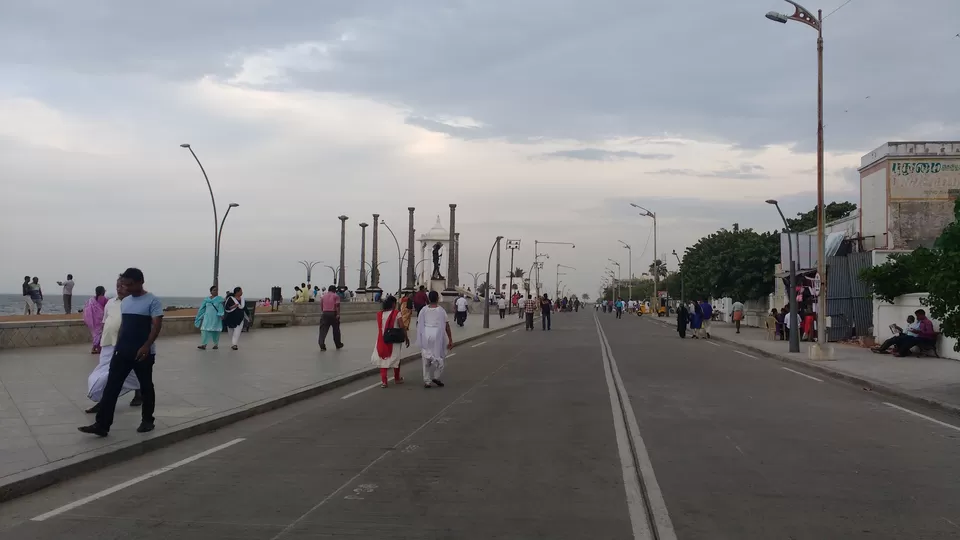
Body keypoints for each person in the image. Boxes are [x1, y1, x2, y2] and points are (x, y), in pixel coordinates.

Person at [79, 267, 161, 436]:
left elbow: (157, 326)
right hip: (122, 351)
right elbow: (124, 326)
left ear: (140, 282)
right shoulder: (126, 302)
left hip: (143, 352)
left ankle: (147, 421)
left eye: (130, 284)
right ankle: (102, 425)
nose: (127, 288)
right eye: (124, 284)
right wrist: (118, 347)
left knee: (146, 386)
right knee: (111, 387)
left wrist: (146, 346)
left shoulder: (152, 301)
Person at [86, 277, 141, 413]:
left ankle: (139, 392)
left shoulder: (136, 303)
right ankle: (102, 400)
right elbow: (105, 322)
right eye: (117, 286)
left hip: (125, 346)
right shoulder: (110, 303)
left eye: (122, 286)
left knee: (129, 373)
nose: (119, 288)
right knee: (103, 374)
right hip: (108, 343)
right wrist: (99, 340)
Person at [372, 295, 409, 388]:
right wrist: (406, 337)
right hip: (394, 340)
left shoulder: (379, 314)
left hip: (382, 339)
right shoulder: (397, 313)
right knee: (396, 358)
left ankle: (384, 382)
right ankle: (397, 378)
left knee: (382, 360)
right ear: (393, 304)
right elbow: (402, 326)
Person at [417, 291, 452, 388]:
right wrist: (450, 339)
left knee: (425, 358)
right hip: (438, 335)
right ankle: (436, 376)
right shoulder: (441, 310)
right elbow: (447, 326)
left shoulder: (423, 310)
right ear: (437, 298)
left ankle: (427, 381)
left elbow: (419, 324)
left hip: (426, 334)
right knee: (440, 355)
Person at [195, 286, 225, 350]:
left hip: (216, 317)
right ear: (211, 291)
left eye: (216, 290)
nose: (215, 291)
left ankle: (216, 344)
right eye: (214, 290)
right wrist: (199, 315)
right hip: (207, 317)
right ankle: (204, 345)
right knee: (204, 330)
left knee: (215, 331)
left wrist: (221, 314)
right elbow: (202, 308)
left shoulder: (219, 299)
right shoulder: (206, 300)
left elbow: (221, 308)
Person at [81, 286, 109, 354]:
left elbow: (87, 308)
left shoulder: (92, 299)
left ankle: (96, 348)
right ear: (103, 291)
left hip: (94, 320)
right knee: (100, 334)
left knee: (96, 334)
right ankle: (96, 348)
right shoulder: (104, 299)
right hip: (100, 319)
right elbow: (107, 307)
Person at [318, 285, 344, 351]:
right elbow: (337, 306)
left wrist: (324, 312)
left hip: (325, 313)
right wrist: (338, 314)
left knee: (323, 330)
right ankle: (338, 344)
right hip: (333, 313)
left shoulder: (323, 296)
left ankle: (321, 344)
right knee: (336, 330)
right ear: (334, 290)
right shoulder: (336, 296)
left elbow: (321, 306)